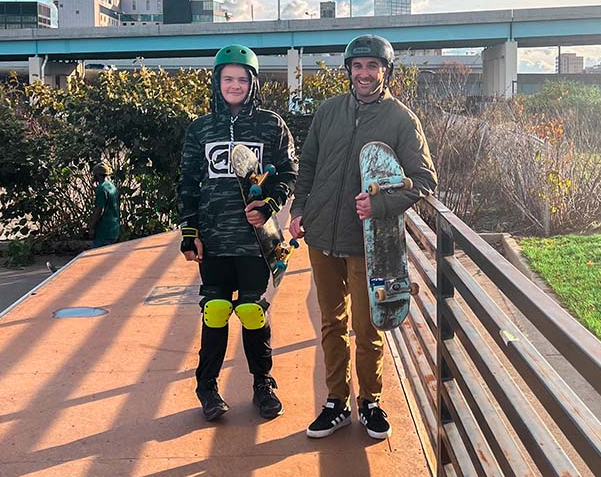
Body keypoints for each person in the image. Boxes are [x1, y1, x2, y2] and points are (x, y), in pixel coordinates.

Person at [289, 35, 437, 440]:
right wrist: (299, 210)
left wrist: (382, 207)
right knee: (330, 323)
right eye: (358, 66)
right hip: (320, 236)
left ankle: (370, 400)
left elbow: (424, 179)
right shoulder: (329, 111)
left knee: (367, 324)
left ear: (386, 72)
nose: (364, 74)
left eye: (373, 67)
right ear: (349, 70)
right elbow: (309, 165)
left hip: (367, 242)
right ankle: (335, 401)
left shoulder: (401, 119)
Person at [177, 44, 297, 421]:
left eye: (242, 79)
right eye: (228, 78)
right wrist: (189, 231)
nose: (234, 85)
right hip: (213, 239)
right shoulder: (201, 128)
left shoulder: (270, 124)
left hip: (257, 242)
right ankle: (207, 387)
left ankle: (263, 384)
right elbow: (188, 182)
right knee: (214, 311)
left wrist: (269, 206)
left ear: (253, 82)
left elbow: (290, 173)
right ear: (217, 81)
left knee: (251, 311)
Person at [89, 162, 120, 247]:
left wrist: (92, 227)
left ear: (98, 175)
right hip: (114, 227)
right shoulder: (112, 187)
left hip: (104, 230)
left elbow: (100, 210)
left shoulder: (101, 189)